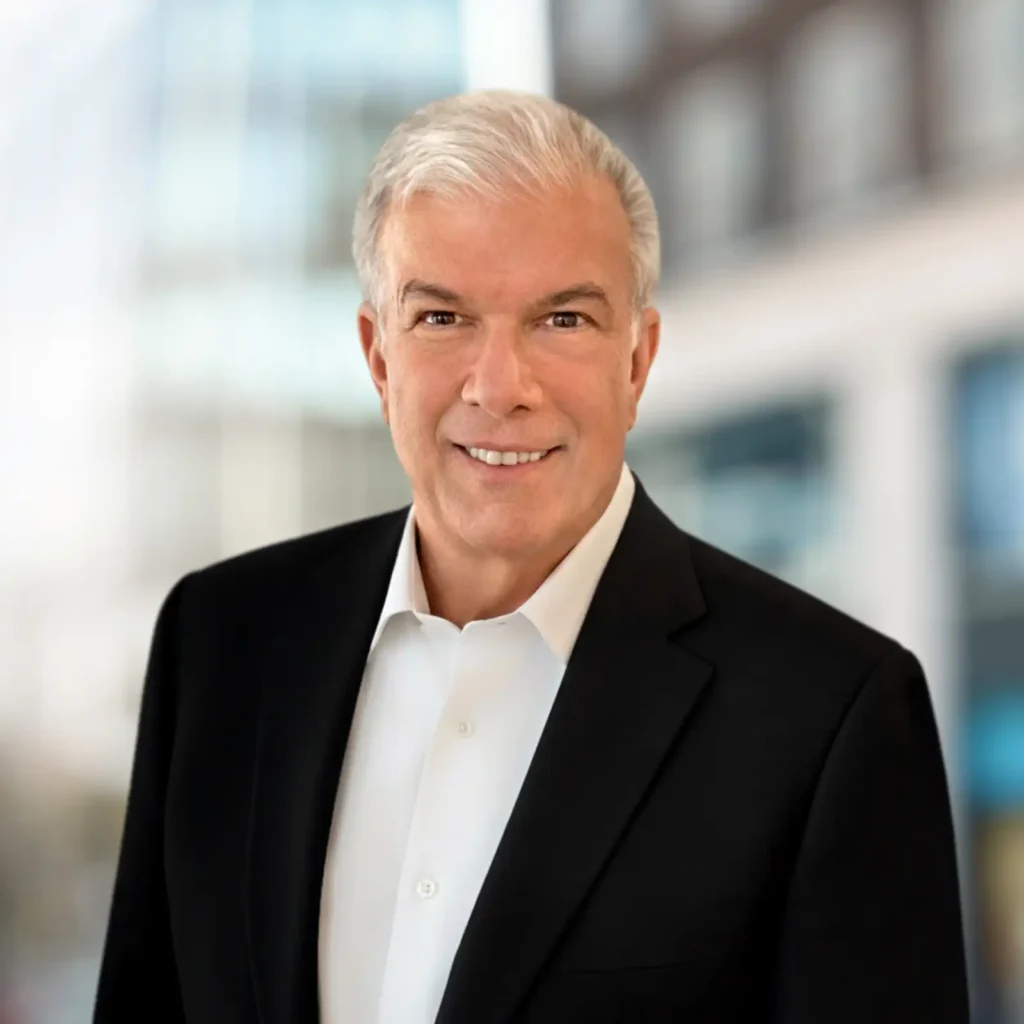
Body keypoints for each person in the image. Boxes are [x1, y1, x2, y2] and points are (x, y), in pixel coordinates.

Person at [94, 91, 969, 1024]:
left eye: (562, 321)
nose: (500, 387)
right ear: (377, 356)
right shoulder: (219, 643)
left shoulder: (832, 716)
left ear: (637, 360)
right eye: (441, 318)